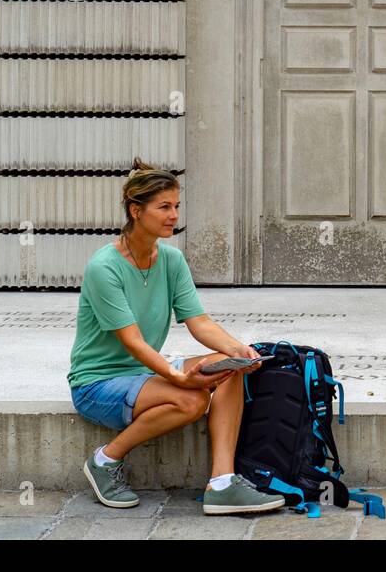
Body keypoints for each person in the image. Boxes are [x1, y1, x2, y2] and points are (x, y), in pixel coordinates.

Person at [67, 157, 283, 515]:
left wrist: (238, 350)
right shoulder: (104, 267)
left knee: (226, 368)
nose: (173, 215)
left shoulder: (170, 260)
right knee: (191, 400)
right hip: (98, 383)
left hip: (143, 375)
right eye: (163, 207)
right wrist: (177, 376)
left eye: (176, 206)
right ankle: (105, 461)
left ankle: (223, 483)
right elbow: (133, 341)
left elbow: (198, 321)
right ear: (136, 211)